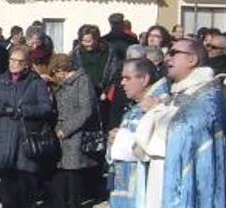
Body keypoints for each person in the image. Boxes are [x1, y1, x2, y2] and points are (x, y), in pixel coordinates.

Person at [134, 38, 226, 208]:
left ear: (192, 60)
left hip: (191, 183)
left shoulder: (208, 97)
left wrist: (156, 112)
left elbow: (182, 130)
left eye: (174, 53)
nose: (167, 58)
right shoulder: (174, 94)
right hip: (159, 174)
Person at [0, 45, 53, 208]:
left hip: (27, 141)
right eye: (12, 59)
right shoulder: (0, 81)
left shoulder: (36, 82)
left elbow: (45, 108)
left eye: (19, 61)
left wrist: (22, 110)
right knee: (7, 192)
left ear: (27, 64)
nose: (14, 64)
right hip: (4, 139)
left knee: (25, 193)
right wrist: (2, 108)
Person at [108, 58, 169, 208]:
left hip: (145, 187)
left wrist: (120, 139)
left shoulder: (160, 105)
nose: (122, 83)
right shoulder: (136, 107)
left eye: (127, 78)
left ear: (144, 79)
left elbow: (153, 146)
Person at [47, 53, 100, 208]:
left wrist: (67, 129)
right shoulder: (63, 84)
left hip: (75, 134)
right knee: (63, 172)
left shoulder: (82, 81)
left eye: (56, 73)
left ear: (61, 70)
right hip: (62, 133)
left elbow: (86, 109)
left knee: (74, 173)